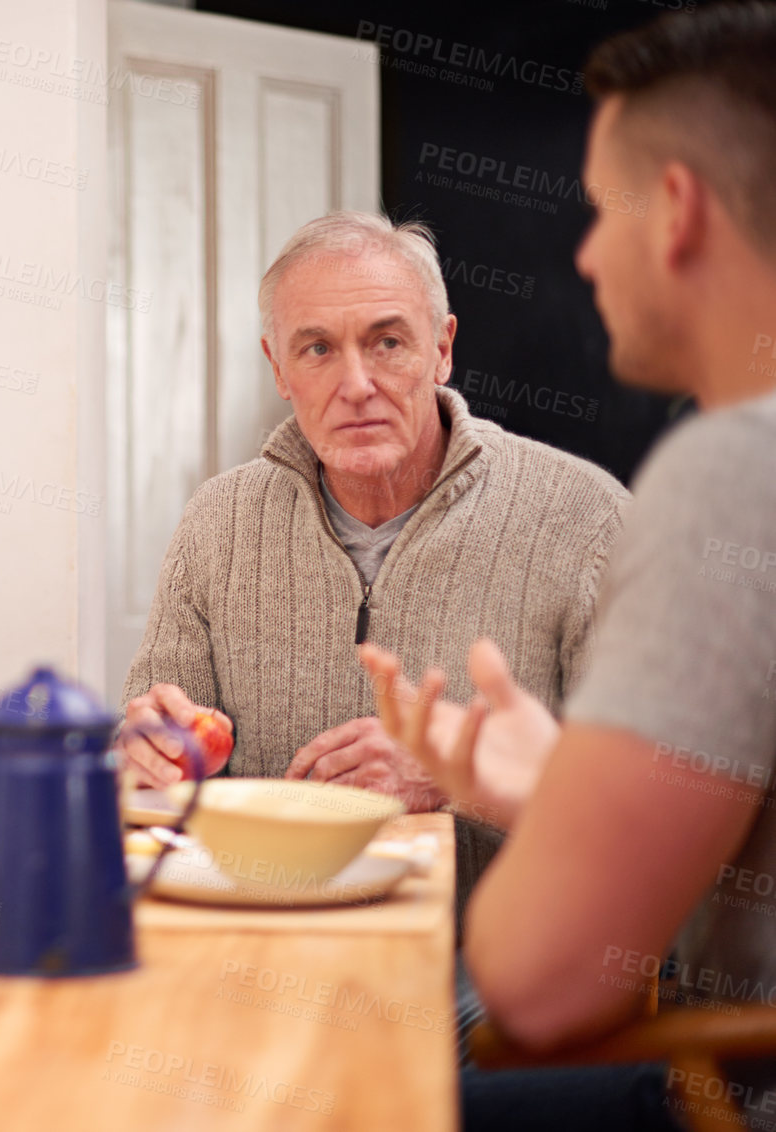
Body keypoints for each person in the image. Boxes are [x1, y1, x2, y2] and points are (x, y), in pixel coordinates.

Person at [363, 4, 776, 1128]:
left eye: (599, 214)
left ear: (677, 211)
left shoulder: (734, 470)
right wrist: (568, 789)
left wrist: (551, 827)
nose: (584, 254)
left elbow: (541, 982)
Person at [118, 211, 630, 911]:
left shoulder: (589, 521)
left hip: (494, 958)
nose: (355, 383)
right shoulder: (217, 524)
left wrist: (459, 779)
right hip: (261, 932)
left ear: (443, 350)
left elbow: (653, 805)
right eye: (318, 350)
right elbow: (156, 785)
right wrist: (143, 758)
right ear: (278, 368)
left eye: (387, 342)